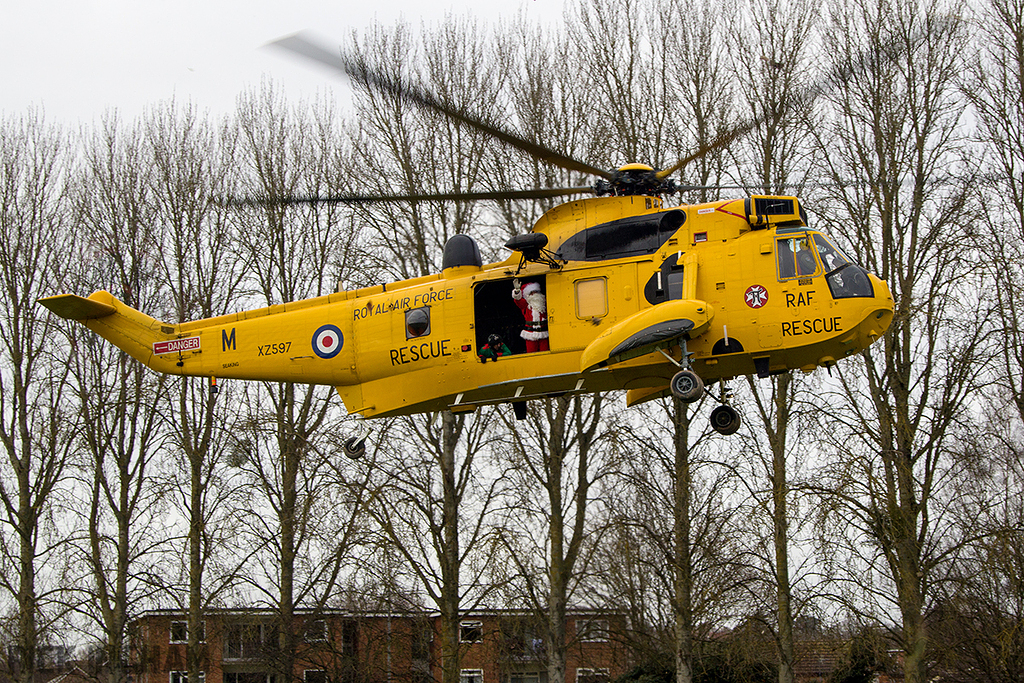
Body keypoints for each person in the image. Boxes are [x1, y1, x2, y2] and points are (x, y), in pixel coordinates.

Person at [512, 278, 549, 352]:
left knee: (545, 351)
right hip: (530, 334)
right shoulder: (525, 305)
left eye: (536, 292)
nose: (534, 294)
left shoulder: (544, 303)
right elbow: (518, 300)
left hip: (543, 332)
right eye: (532, 292)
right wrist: (517, 291)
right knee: (531, 352)